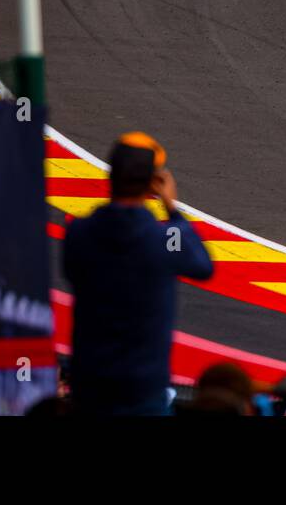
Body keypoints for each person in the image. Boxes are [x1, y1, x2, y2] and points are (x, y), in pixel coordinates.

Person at [63, 133, 213, 415]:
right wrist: (172, 208)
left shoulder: (80, 234)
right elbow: (204, 266)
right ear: (152, 184)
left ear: (110, 176)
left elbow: (71, 272)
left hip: (90, 385)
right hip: (143, 389)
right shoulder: (162, 241)